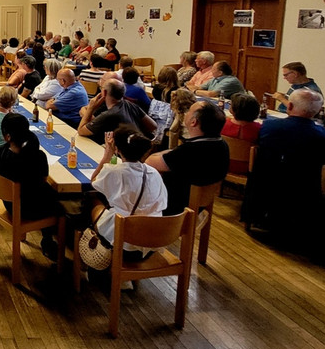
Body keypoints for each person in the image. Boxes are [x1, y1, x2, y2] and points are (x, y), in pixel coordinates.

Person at [241, 89, 325, 242]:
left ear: (289, 106)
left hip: (266, 182)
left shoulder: (269, 127)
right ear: (318, 111)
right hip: (306, 189)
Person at [0, 113, 60, 259]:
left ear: (7, 137)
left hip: (10, 204)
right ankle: (49, 240)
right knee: (57, 201)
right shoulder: (38, 157)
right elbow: (43, 182)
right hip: (32, 210)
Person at [86, 124, 168, 256]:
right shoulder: (154, 173)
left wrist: (107, 154)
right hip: (152, 241)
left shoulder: (114, 172)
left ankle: (94, 253)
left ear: (117, 149)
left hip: (123, 242)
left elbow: (94, 181)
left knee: (92, 199)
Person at [147, 99, 230, 214]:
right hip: (199, 205)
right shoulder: (222, 145)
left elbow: (150, 162)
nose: (186, 113)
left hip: (176, 210)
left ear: (193, 122)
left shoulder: (190, 151)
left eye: (189, 111)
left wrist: (167, 152)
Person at [77, 79, 157, 139]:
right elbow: (153, 126)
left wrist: (91, 108)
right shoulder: (130, 104)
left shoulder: (108, 115)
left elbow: (81, 131)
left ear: (104, 92)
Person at [221, 93, 261, 175]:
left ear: (233, 109)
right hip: (249, 168)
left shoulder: (222, 124)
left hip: (222, 164)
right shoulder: (259, 129)